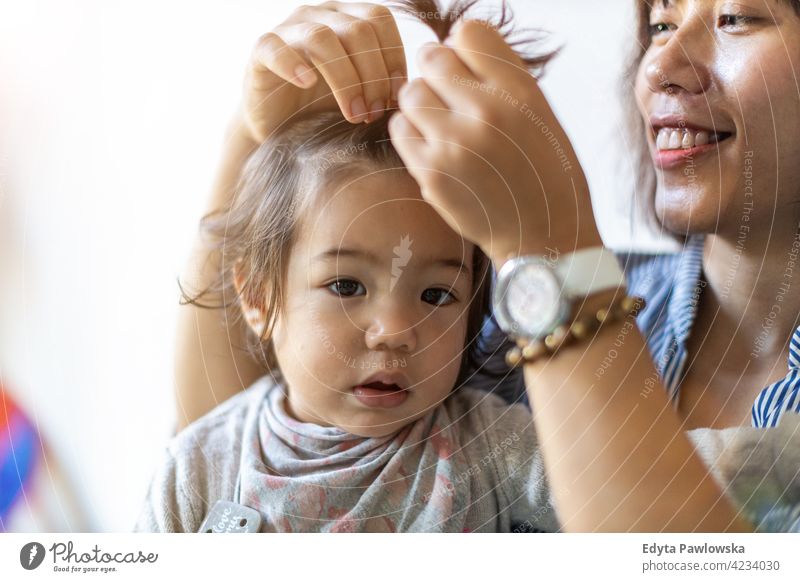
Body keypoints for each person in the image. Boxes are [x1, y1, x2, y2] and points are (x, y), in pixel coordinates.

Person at [163, 0, 800, 532]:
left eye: (737, 16)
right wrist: (253, 143)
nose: (660, 64)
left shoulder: (535, 298)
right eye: (660, 22)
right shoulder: (503, 316)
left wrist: (551, 249)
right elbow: (236, 437)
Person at [134, 1, 562, 533]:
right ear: (259, 296)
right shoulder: (197, 468)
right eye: (346, 284)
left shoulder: (494, 448)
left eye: (436, 295)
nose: (395, 331)